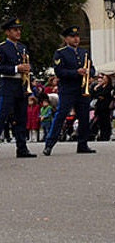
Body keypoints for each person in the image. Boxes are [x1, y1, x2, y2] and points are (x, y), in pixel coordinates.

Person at [0, 17, 34, 160]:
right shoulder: (1, 48)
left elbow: (27, 64)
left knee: (21, 117)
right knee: (1, 117)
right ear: (7, 32)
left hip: (21, 85)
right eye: (14, 30)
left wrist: (28, 69)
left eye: (19, 30)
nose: (18, 32)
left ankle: (22, 148)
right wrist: (17, 68)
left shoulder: (22, 47)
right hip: (8, 84)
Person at [42, 25, 96, 156]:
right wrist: (76, 72)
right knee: (61, 116)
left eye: (77, 36)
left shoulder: (84, 52)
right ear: (66, 39)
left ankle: (83, 144)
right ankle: (49, 144)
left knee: (84, 117)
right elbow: (59, 71)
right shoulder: (61, 53)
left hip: (82, 89)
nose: (76, 39)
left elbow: (92, 68)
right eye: (72, 37)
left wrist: (89, 72)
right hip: (68, 89)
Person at [91, 74, 113, 141]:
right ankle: (101, 135)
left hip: (105, 106)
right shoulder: (100, 87)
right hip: (99, 106)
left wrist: (99, 95)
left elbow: (104, 94)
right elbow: (94, 94)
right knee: (100, 122)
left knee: (106, 122)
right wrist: (96, 87)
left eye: (105, 78)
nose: (103, 80)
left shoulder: (109, 87)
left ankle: (106, 136)